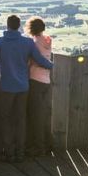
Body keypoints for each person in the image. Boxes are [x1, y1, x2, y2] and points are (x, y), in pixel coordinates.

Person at [0, 14, 53, 162]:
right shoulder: (27, 43)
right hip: (23, 87)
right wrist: (50, 65)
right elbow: (40, 59)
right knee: (20, 119)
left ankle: (9, 153)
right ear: (19, 26)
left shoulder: (0, 42)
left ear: (7, 25)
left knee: (6, 119)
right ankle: (20, 153)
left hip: (7, 88)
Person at [25, 17, 53, 157]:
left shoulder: (34, 42)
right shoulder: (47, 40)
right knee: (43, 115)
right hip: (46, 82)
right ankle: (47, 145)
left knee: (35, 116)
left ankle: (38, 148)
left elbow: (34, 58)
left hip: (35, 80)